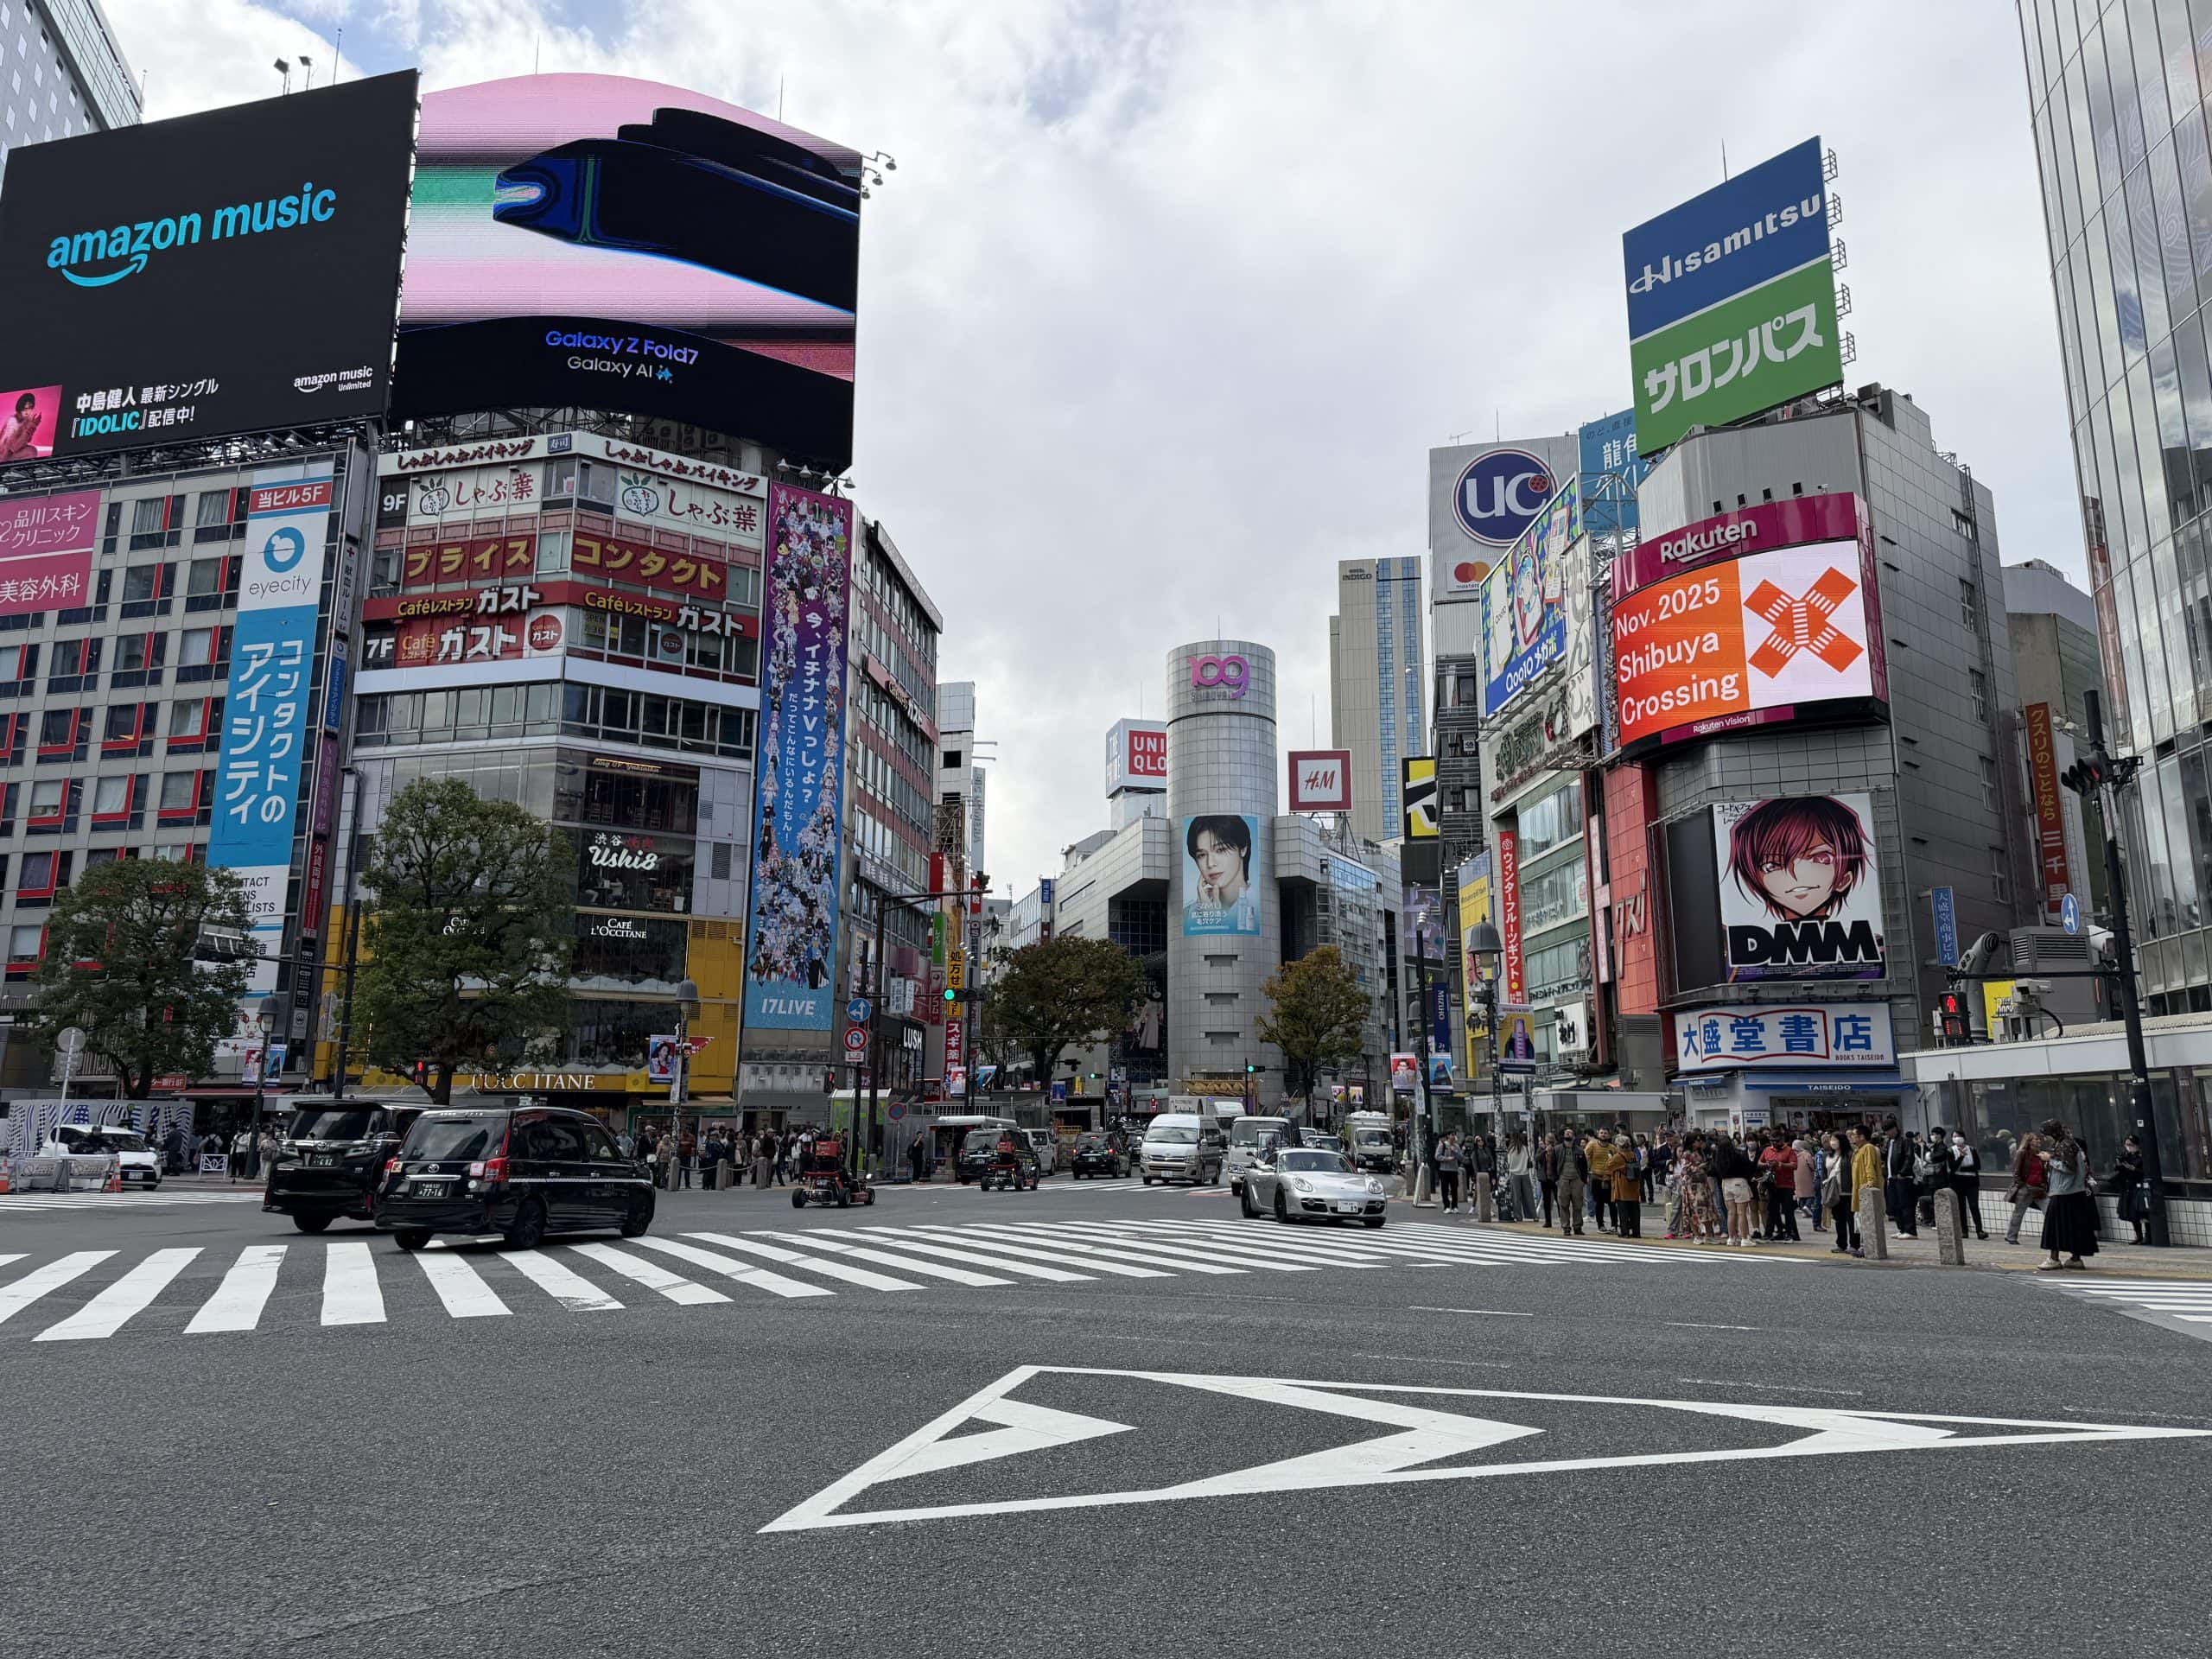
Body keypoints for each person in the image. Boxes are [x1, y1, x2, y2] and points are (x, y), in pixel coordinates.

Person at [2036, 1119, 2099, 1271]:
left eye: (2046, 1134)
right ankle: (2075, 1258)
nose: (2045, 1138)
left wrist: (2049, 1159)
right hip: (2075, 1191)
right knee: (2075, 1225)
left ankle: (2054, 1259)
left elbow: (2069, 1168)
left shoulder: (2065, 1145)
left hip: (2063, 1190)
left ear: (2053, 1133)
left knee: (2054, 1225)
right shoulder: (2069, 1143)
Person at [1182, 815, 1259, 932]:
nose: (1210, 863)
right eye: (1202, 855)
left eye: (1221, 850)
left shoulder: (1259, 906)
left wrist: (1214, 917)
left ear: (1243, 849)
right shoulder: (1187, 914)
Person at [1821, 1130, 1860, 1255]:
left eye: (1835, 1140)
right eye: (1831, 1140)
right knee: (1839, 1220)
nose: (1832, 1142)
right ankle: (1841, 1244)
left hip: (1848, 1192)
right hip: (1833, 1192)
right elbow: (1824, 1173)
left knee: (1851, 1219)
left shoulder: (1850, 1155)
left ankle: (1854, 1245)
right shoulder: (1827, 1156)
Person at [2005, 1131, 2046, 1246]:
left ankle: (2052, 1236)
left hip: (2039, 1188)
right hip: (2026, 1188)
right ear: (2029, 1141)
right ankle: (2011, 1236)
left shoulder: (2040, 1155)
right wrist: (2022, 1184)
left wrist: (2044, 1184)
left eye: (2038, 1139)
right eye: (2035, 1139)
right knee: (2018, 1213)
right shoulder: (2022, 1153)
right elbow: (2016, 1171)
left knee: (2049, 1211)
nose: (2038, 1141)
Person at [1758, 1131, 1800, 1242]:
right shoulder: (1767, 1150)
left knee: (1788, 1211)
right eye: (1772, 1141)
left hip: (1786, 1184)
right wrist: (1767, 1164)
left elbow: (1794, 1165)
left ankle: (1790, 1233)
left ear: (1782, 1140)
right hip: (1772, 1185)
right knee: (1772, 1210)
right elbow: (1759, 1163)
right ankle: (1773, 1232)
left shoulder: (1789, 1150)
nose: (1774, 1143)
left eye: (1777, 1141)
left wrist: (1780, 1164)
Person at [1882, 1121, 1918, 1238]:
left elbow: (1909, 1158)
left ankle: (1910, 1230)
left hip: (1902, 1177)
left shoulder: (1905, 1141)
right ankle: (1901, 1228)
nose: (1888, 1133)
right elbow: (1887, 1159)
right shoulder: (1889, 1142)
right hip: (1891, 1178)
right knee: (1895, 1204)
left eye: (1889, 1130)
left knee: (1906, 1204)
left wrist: (1902, 1173)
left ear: (1895, 1129)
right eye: (1886, 1131)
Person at [1948, 1128, 1986, 1240]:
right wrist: (1961, 1157)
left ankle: (1979, 1230)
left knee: (1974, 1206)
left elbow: (1977, 1166)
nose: (1957, 1138)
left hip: (1972, 1182)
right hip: (1958, 1183)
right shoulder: (1951, 1151)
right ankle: (1964, 1230)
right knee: (1961, 1206)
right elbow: (1953, 1167)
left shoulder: (1972, 1149)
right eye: (1954, 1136)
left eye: (1959, 1136)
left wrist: (1963, 1167)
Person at [1848, 1123, 1884, 1243]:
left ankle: (1867, 1245)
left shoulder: (1868, 1148)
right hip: (1858, 1189)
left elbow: (1869, 1166)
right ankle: (1864, 1245)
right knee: (1860, 1219)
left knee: (1866, 1219)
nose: (1852, 1137)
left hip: (1865, 1189)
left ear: (1862, 1136)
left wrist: (1870, 1181)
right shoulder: (1858, 1150)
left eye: (1854, 1135)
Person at [2114, 1135, 2151, 1245]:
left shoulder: (2142, 1156)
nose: (2128, 1147)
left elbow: (2147, 1171)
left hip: (2139, 1187)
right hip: (2128, 1186)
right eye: (2127, 1145)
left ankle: (2148, 1236)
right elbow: (2118, 1171)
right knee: (2132, 1214)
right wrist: (2119, 1165)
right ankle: (2138, 1236)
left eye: (2131, 1145)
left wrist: (2134, 1169)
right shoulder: (2126, 1156)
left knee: (2142, 1213)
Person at [1607, 1132, 1643, 1237]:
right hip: (1634, 1186)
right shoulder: (1633, 1154)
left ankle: (1625, 1231)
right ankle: (1636, 1232)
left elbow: (1608, 1166)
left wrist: (1610, 1157)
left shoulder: (1618, 1157)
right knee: (1634, 1211)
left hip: (1622, 1187)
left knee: (1623, 1212)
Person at [1554, 1133, 1586, 1236]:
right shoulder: (1557, 1150)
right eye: (1566, 1132)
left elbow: (1584, 1166)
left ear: (1574, 1137)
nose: (1568, 1134)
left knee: (1578, 1205)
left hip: (1576, 1179)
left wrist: (1583, 1180)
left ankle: (1577, 1227)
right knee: (1563, 1204)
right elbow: (1552, 1165)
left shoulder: (1579, 1151)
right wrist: (1556, 1179)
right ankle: (1566, 1227)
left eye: (1571, 1133)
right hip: (1563, 1179)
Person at [1505, 1134, 1536, 1226]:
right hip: (1525, 1173)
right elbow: (1528, 1160)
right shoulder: (1525, 1148)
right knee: (1528, 1196)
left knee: (1516, 1197)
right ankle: (1533, 1215)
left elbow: (1509, 1163)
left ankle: (1518, 1216)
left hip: (1514, 1174)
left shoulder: (1511, 1150)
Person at [1535, 1134, 1561, 1229]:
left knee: (1559, 1199)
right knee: (1546, 1200)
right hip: (1545, 1178)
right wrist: (1544, 1152)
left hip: (1555, 1178)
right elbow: (1537, 1158)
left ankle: (1562, 1218)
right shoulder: (1542, 1149)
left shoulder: (1558, 1149)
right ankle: (1548, 1221)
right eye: (1548, 1140)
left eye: (1551, 1140)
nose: (1549, 1142)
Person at [1434, 1133, 1462, 1213]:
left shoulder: (1457, 1146)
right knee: (1445, 1189)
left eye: (1454, 1135)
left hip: (1454, 1170)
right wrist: (1447, 1159)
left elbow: (1461, 1157)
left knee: (1454, 1189)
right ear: (1448, 1136)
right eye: (1451, 1135)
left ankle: (1455, 1206)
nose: (1453, 1137)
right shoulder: (1442, 1146)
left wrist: (1455, 1152)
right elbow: (1437, 1156)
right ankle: (1446, 1206)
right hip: (1444, 1170)